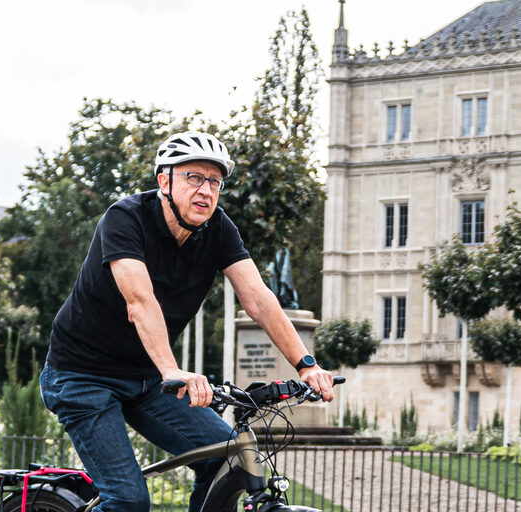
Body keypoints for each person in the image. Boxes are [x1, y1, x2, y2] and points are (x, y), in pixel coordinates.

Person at [40, 131, 337, 512]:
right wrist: (172, 370)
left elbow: (258, 299)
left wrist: (306, 364)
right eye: (193, 177)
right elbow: (139, 301)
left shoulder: (218, 229)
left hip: (146, 378)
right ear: (165, 181)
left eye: (214, 181)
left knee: (227, 455)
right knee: (128, 501)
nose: (206, 190)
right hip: (82, 375)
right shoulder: (125, 218)